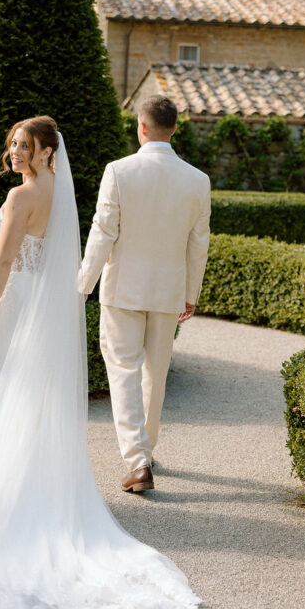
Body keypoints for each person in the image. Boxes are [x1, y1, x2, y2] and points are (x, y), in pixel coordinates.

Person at [0, 115, 200, 609]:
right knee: (32, 403)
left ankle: (13, 501)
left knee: (11, 400)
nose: (15, 152)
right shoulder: (58, 195)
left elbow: (2, 262)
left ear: (46, 153)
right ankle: (54, 482)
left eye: (25, 146)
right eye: (12, 143)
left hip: (18, 307)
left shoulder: (21, 200)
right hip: (45, 306)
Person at [79, 95, 211, 493]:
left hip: (122, 290)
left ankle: (137, 461)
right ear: (174, 129)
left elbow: (103, 233)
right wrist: (191, 294)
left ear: (140, 127)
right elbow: (198, 243)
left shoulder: (119, 171)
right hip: (168, 290)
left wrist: (81, 286)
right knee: (156, 373)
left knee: (123, 370)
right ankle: (145, 452)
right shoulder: (198, 180)